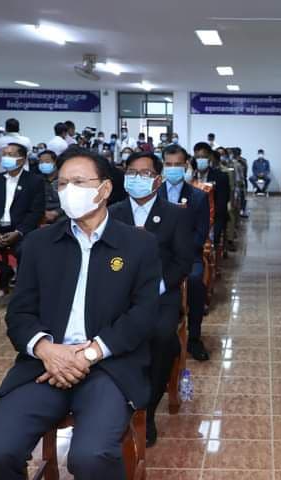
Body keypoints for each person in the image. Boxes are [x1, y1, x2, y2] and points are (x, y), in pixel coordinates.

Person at [0, 147, 162, 480]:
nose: (68, 191)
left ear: (104, 189)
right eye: (62, 184)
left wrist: (88, 354)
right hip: (44, 365)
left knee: (91, 457)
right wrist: (46, 350)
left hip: (109, 365)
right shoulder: (39, 244)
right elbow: (20, 313)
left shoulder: (138, 244)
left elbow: (144, 314)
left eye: (78, 182)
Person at [109, 151, 192, 446]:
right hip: (117, 293)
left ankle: (148, 408)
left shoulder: (175, 214)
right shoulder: (112, 213)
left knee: (161, 336)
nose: (137, 179)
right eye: (131, 173)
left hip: (160, 294)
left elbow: (183, 261)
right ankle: (112, 401)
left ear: (158, 180)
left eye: (144, 174)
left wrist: (156, 286)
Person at [159, 145, 211, 361]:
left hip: (189, 255)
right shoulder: (154, 193)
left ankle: (194, 337)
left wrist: (182, 252)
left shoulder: (198, 196)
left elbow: (201, 233)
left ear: (186, 165)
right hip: (159, 255)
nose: (173, 168)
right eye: (168, 164)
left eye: (177, 164)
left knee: (196, 280)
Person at [0, 143, 45, 291]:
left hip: (21, 229)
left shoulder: (34, 181)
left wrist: (19, 232)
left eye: (10, 155)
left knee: (25, 250)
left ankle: (24, 288)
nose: (5, 157)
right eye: (4, 154)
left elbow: (36, 212)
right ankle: (5, 270)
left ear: (22, 159)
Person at [194, 142, 230, 251]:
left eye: (203, 157)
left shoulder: (221, 177)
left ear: (210, 157)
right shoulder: (189, 176)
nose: (200, 160)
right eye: (198, 157)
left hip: (213, 219)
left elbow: (222, 203)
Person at [37, 150, 63, 224]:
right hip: (41, 214)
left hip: (62, 214)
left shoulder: (65, 178)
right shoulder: (36, 180)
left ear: (55, 162)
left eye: (47, 161)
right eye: (41, 162)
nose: (43, 164)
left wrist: (57, 212)